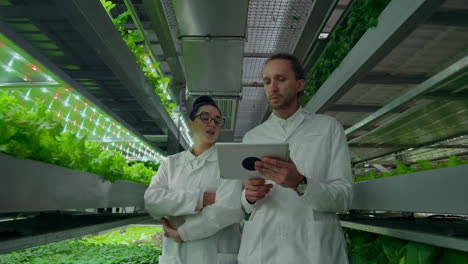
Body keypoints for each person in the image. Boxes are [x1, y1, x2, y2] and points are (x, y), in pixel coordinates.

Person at [238, 53, 353, 263]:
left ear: (299, 84)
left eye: (280, 79)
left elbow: (344, 198)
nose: (272, 87)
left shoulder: (328, 128)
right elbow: (244, 204)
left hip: (313, 250)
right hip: (264, 248)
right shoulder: (252, 137)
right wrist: (249, 196)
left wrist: (301, 184)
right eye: (267, 81)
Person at [145, 96, 244, 264]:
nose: (212, 123)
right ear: (190, 123)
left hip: (214, 256)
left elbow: (229, 209)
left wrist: (183, 233)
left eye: (217, 120)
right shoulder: (171, 164)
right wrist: (201, 199)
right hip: (176, 256)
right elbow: (152, 202)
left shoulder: (229, 161)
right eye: (205, 118)